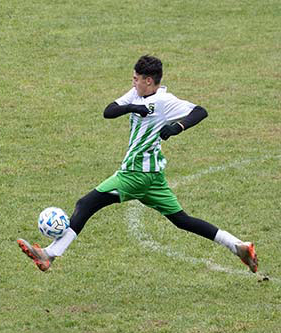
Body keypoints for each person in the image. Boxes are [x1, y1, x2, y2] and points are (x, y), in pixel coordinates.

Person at [17, 55, 258, 274]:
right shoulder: (136, 95)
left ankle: (49, 254)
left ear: (149, 81)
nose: (133, 83)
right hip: (153, 177)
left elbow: (200, 111)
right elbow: (109, 111)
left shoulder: (164, 101)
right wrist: (133, 107)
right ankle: (238, 246)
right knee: (181, 220)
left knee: (87, 203)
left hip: (135, 173)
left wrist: (176, 127)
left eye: (136, 79)